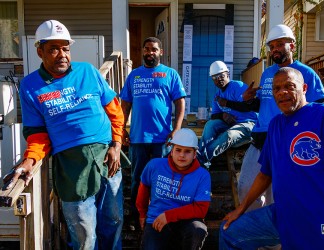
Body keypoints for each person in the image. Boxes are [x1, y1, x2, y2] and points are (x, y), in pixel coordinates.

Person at [219, 67, 324, 249]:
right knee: (230, 231)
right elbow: (265, 174)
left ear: (304, 88)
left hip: (323, 219)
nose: (282, 92)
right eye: (276, 88)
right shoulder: (275, 125)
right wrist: (241, 209)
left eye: (289, 86)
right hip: (284, 214)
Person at [6, 20, 124, 249]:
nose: (62, 55)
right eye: (53, 49)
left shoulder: (88, 71)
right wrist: (31, 159)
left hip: (108, 158)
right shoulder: (31, 86)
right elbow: (37, 133)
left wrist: (116, 144)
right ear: (40, 51)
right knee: (83, 232)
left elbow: (115, 110)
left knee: (113, 220)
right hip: (72, 168)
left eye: (66, 48)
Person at [236, 24, 324, 210]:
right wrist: (248, 100)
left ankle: (276, 236)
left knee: (277, 193)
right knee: (245, 187)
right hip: (261, 138)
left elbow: (319, 105)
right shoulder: (267, 74)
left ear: (292, 46)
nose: (275, 49)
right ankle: (257, 228)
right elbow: (264, 104)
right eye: (271, 46)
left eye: (279, 44)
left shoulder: (306, 73)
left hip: (287, 139)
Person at [119, 37, 186, 225]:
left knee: (162, 179)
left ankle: (159, 216)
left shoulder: (170, 74)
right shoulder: (134, 75)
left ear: (161, 52)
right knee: (137, 179)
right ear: (142, 51)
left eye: (154, 49)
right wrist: (122, 129)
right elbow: (125, 105)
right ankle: (135, 216)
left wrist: (177, 128)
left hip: (162, 139)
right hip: (138, 138)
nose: (150, 52)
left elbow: (180, 102)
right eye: (147, 49)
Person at [136, 128, 211, 250]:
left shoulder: (202, 175)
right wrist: (142, 214)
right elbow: (143, 191)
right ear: (171, 151)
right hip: (157, 220)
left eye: (187, 151)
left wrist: (169, 216)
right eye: (178, 150)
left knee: (198, 230)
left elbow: (201, 209)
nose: (182, 155)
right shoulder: (155, 165)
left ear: (194, 154)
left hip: (187, 222)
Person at [197, 61, 258, 168]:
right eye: (215, 77)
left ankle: (201, 159)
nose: (218, 79)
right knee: (210, 125)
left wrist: (227, 103)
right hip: (232, 125)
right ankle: (199, 154)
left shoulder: (237, 86)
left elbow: (248, 107)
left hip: (249, 124)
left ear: (228, 74)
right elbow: (214, 115)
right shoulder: (218, 95)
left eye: (221, 75)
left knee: (229, 135)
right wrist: (223, 115)